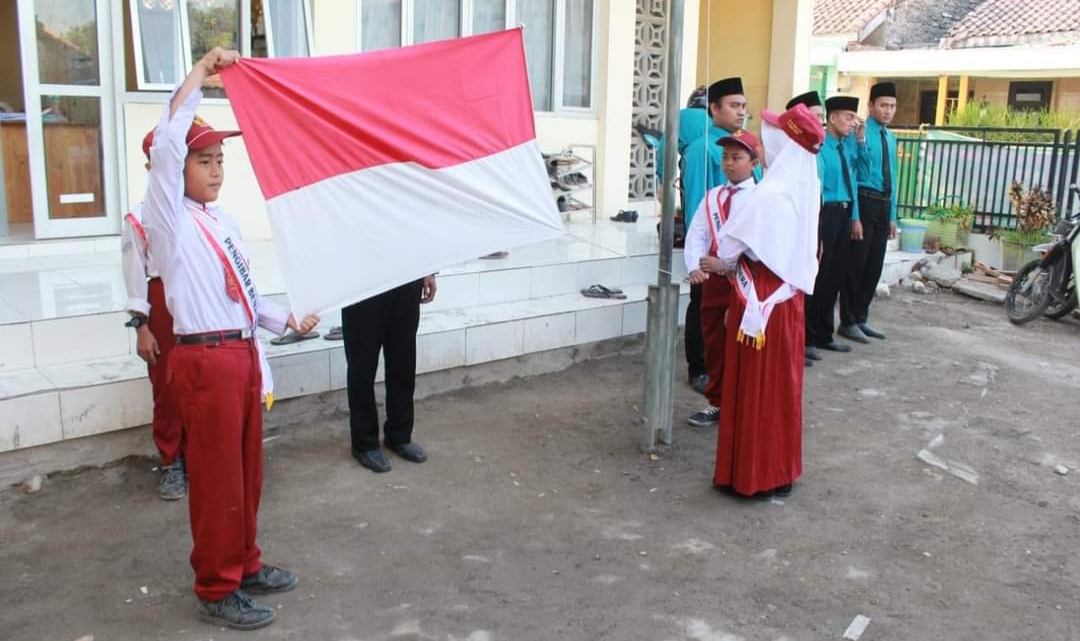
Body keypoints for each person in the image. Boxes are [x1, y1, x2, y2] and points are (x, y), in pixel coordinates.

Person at [141, 47, 319, 630]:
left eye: (219, 159)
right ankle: (216, 588)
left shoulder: (223, 221)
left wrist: (283, 319)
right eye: (204, 160)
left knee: (246, 472)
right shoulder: (166, 218)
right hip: (204, 360)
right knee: (217, 480)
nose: (216, 170)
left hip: (240, 353)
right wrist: (200, 73)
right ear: (178, 171)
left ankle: (244, 564)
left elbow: (244, 297)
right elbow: (167, 142)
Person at [710, 103, 824, 500]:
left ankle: (748, 473)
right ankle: (778, 470)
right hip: (787, 305)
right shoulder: (804, 189)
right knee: (781, 388)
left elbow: (728, 247)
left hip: (758, 301)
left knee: (754, 387)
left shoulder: (769, 194)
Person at [680, 77, 762, 394]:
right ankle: (700, 369)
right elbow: (697, 210)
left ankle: (726, 378)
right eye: (733, 105)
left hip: (735, 262)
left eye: (743, 106)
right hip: (709, 256)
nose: (741, 112)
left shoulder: (744, 145)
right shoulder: (704, 148)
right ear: (713, 109)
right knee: (706, 316)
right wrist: (696, 262)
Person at [121, 138, 185, 501]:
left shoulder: (199, 212)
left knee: (199, 383)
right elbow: (135, 279)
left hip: (196, 299)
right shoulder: (139, 217)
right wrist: (142, 326)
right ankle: (172, 460)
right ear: (149, 169)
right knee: (167, 384)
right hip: (160, 301)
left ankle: (199, 456)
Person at [343, 275, 437, 474]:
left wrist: (428, 271)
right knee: (362, 365)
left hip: (406, 278)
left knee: (403, 360)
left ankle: (399, 435)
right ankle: (364, 444)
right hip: (363, 284)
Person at [840, 82, 898, 344]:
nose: (888, 111)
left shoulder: (890, 136)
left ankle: (861, 317)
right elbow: (852, 175)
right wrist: (855, 215)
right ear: (871, 106)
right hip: (864, 200)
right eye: (883, 105)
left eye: (892, 106)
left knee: (874, 266)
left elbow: (893, 178)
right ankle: (848, 320)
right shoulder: (859, 134)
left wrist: (893, 216)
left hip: (883, 204)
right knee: (856, 265)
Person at [807, 95, 860, 361]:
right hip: (825, 213)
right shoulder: (820, 147)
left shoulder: (846, 148)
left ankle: (825, 334)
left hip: (844, 212)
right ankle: (808, 336)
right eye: (848, 117)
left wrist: (855, 217)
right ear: (833, 118)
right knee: (820, 275)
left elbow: (858, 178)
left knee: (836, 276)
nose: (853, 123)